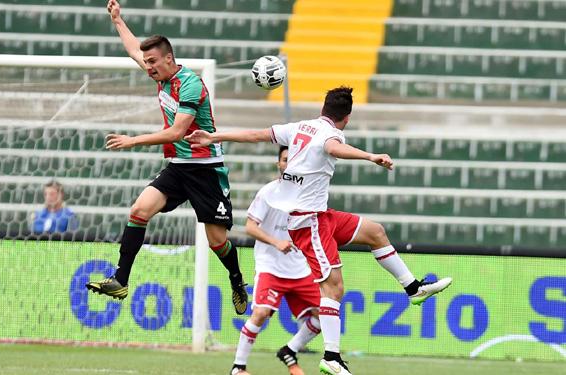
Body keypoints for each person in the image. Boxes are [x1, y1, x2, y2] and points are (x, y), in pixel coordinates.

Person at [186, 86, 453, 375]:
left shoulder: (299, 127)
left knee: (375, 232)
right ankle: (331, 357)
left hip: (321, 215)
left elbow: (255, 135)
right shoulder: (331, 134)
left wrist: (213, 136)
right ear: (346, 118)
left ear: (323, 108)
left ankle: (413, 289)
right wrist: (370, 156)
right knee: (333, 289)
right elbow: (333, 148)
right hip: (307, 221)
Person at [86, 0, 248, 315]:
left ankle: (236, 277)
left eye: (153, 62)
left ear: (169, 58)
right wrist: (118, 20)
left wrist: (133, 140)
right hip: (178, 168)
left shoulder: (190, 85)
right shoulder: (160, 75)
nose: (147, 67)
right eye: (146, 63)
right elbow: (135, 49)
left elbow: (176, 133)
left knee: (217, 241)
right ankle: (120, 279)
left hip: (206, 170)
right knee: (139, 210)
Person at [231, 146, 320, 375]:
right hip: (270, 266)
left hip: (300, 269)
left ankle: (289, 350)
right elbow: (250, 226)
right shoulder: (268, 193)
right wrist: (276, 242)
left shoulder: (308, 195)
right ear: (278, 164)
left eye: (293, 160)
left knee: (325, 315)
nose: (289, 164)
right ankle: (238, 367)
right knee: (260, 313)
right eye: (284, 160)